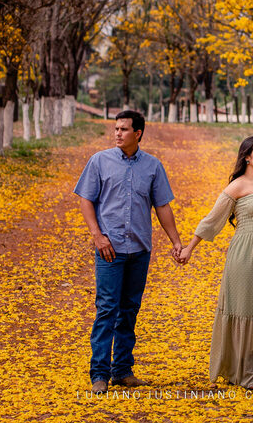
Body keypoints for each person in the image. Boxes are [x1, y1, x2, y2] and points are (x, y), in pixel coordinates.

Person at [74, 110, 183, 394]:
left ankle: (122, 370)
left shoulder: (153, 166)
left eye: (124, 129)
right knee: (107, 309)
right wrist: (97, 236)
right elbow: (86, 200)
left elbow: (162, 206)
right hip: (109, 250)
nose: (117, 133)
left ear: (138, 134)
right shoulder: (100, 161)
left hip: (139, 250)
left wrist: (176, 241)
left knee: (129, 311)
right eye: (116, 129)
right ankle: (99, 373)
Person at [177, 135, 253, 389]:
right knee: (246, 312)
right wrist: (189, 248)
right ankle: (246, 374)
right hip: (244, 257)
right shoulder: (237, 187)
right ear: (247, 157)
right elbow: (212, 220)